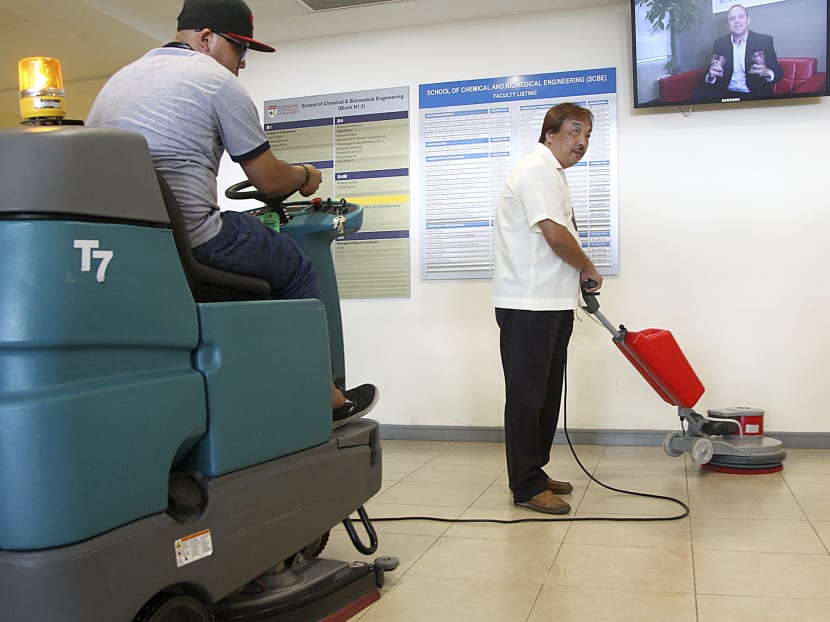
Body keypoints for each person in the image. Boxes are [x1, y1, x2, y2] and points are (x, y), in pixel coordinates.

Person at [87, 0, 377, 428]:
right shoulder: (215, 81)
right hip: (196, 241)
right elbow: (268, 180)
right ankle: (326, 397)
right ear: (206, 39)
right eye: (239, 48)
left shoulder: (119, 81)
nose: (242, 63)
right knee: (295, 265)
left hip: (132, 247)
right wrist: (304, 175)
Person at [493, 103, 603, 515]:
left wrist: (576, 275)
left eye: (587, 135)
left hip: (551, 303)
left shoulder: (553, 174)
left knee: (545, 395)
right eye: (574, 131)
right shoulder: (537, 170)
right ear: (550, 134)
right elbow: (555, 235)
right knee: (527, 397)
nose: (582, 142)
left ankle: (535, 471)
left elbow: (553, 239)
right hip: (529, 304)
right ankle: (525, 485)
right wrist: (587, 266)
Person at [699, 4, 782, 99]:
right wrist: (711, 76)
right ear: (727, 25)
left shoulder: (764, 41)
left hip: (754, 95)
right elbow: (711, 72)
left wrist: (767, 72)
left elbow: (778, 74)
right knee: (698, 95)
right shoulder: (720, 43)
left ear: (748, 20)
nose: (737, 21)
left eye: (741, 16)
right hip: (727, 95)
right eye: (732, 18)